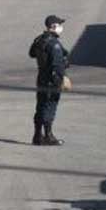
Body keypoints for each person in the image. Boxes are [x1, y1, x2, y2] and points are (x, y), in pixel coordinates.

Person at [29, 14, 69, 145]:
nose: (61, 27)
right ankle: (48, 136)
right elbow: (57, 64)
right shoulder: (54, 43)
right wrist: (60, 80)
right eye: (60, 25)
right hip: (51, 79)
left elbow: (32, 54)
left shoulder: (40, 40)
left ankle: (37, 136)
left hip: (41, 77)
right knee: (50, 105)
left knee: (40, 105)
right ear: (53, 26)